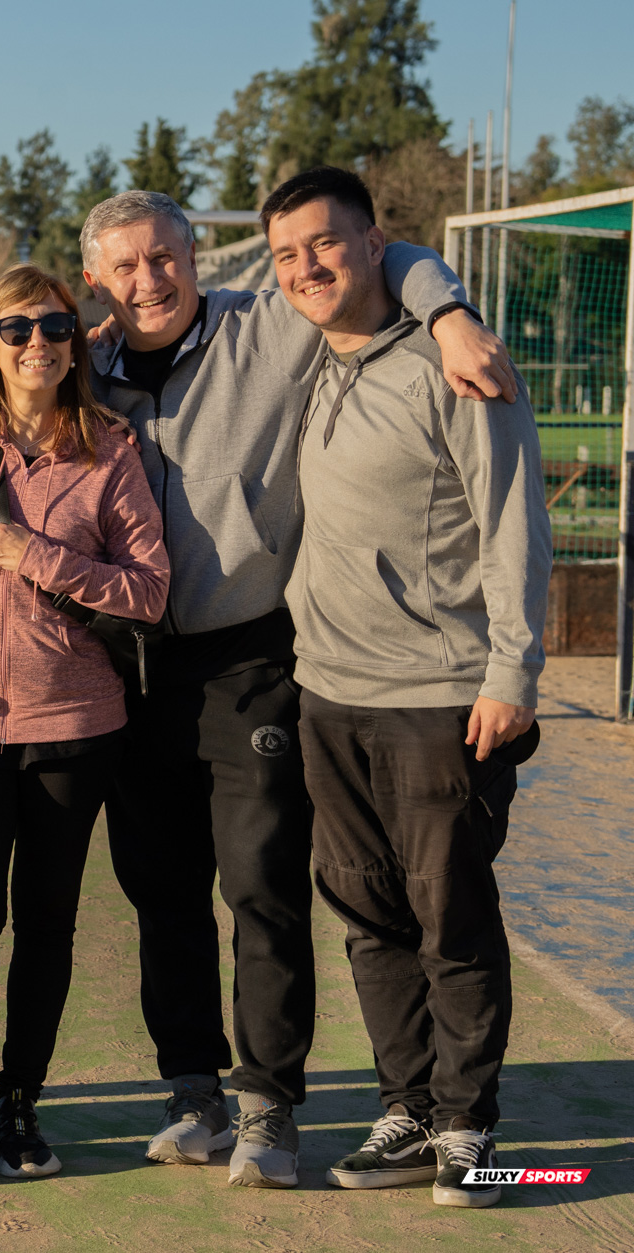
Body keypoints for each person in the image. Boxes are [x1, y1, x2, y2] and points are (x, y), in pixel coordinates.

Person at [70, 190, 516, 1189]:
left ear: (194, 256)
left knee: (263, 887)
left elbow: (378, 253)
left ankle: (269, 1104)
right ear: (96, 278)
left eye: (165, 257)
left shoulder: (268, 321)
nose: (151, 281)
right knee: (161, 892)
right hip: (129, 668)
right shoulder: (79, 366)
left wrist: (448, 311)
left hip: (252, 660)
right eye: (127, 266)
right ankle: (195, 1093)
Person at [262, 167, 549, 1210]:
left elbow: (516, 518)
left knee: (450, 912)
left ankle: (470, 1121)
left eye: (327, 244)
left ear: (375, 242)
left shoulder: (455, 364)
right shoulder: (300, 352)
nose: (307, 267)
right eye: (287, 253)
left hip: (441, 691)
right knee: (366, 909)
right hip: (327, 692)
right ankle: (410, 1102)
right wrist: (442, 288)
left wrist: (513, 668)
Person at [0, 265, 169, 1186]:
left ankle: (21, 1103)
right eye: (15, 329)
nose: (37, 344)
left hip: (76, 720)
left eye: (56, 328)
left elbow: (148, 588)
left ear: (75, 343)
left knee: (47, 923)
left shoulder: (109, 447)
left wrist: (41, 557)